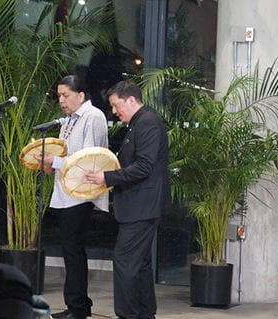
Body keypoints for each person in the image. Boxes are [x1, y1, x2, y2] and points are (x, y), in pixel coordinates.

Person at [86, 80, 169, 319]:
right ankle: (145, 314)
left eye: (115, 105)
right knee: (140, 264)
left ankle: (128, 314)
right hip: (138, 206)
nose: (114, 111)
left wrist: (106, 177)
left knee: (124, 262)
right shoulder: (137, 123)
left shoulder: (147, 123)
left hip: (142, 207)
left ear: (131, 100)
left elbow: (144, 166)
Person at [43, 75, 109, 319]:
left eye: (66, 95)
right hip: (65, 193)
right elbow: (65, 153)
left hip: (81, 193)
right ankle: (75, 305)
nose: (61, 100)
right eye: (59, 95)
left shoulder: (93, 117)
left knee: (73, 250)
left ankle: (78, 308)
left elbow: (90, 159)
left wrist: (57, 161)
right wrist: (50, 164)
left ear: (81, 95)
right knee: (70, 250)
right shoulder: (69, 120)